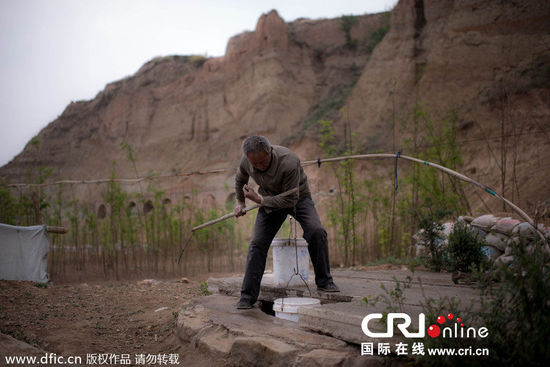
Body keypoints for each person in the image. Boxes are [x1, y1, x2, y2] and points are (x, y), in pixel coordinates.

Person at [234, 135, 339, 309]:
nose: (260, 166)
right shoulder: (247, 160)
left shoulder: (288, 161)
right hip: (268, 198)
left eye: (263, 161)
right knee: (257, 244)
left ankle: (325, 281)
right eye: (255, 164)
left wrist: (260, 200)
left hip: (297, 198)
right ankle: (247, 297)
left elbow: (290, 200)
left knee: (316, 231)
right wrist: (240, 202)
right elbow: (240, 179)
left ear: (270, 151)